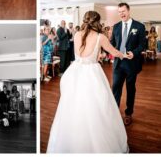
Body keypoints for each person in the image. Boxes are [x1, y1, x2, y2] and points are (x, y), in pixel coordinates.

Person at [47, 10, 130, 152]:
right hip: (92, 73)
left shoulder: (77, 34)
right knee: (97, 105)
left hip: (75, 71)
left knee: (74, 104)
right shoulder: (100, 37)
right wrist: (125, 55)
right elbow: (114, 52)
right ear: (97, 22)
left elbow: (79, 54)